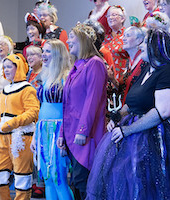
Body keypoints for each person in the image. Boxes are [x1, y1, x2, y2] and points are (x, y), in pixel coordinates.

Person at [86, 28, 170, 200]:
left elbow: (162, 111)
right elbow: (131, 103)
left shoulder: (167, 71)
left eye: (145, 43)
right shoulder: (148, 69)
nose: (141, 47)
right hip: (132, 132)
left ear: (155, 47)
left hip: (152, 137)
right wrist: (116, 118)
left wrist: (127, 130)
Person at [58, 23, 107, 200]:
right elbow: (67, 105)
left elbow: (91, 101)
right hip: (72, 134)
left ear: (83, 40)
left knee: (84, 182)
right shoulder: (77, 66)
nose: (68, 41)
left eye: (71, 37)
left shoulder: (95, 64)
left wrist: (82, 131)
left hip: (86, 135)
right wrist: (63, 134)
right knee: (76, 183)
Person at [0, 53, 40, 200]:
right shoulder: (5, 90)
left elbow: (33, 112)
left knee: (22, 178)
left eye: (9, 67)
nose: (6, 70)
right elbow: (2, 114)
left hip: (21, 138)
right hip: (3, 139)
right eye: (4, 67)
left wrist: (12, 123)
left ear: (19, 68)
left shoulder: (27, 89)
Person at [30, 39, 73, 199]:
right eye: (43, 51)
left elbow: (70, 109)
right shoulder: (46, 76)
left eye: (48, 51)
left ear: (57, 54)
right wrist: (36, 135)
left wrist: (63, 134)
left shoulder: (67, 77)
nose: (44, 54)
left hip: (59, 130)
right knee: (47, 177)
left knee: (58, 177)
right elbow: (42, 109)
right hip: (43, 129)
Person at [119, 26, 147, 104]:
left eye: (128, 35)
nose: (123, 39)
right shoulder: (127, 61)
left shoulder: (144, 61)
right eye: (124, 36)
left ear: (139, 40)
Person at [102, 5, 128, 83]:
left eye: (113, 15)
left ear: (122, 18)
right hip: (106, 80)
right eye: (108, 16)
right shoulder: (105, 38)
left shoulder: (127, 35)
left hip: (122, 79)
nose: (110, 18)